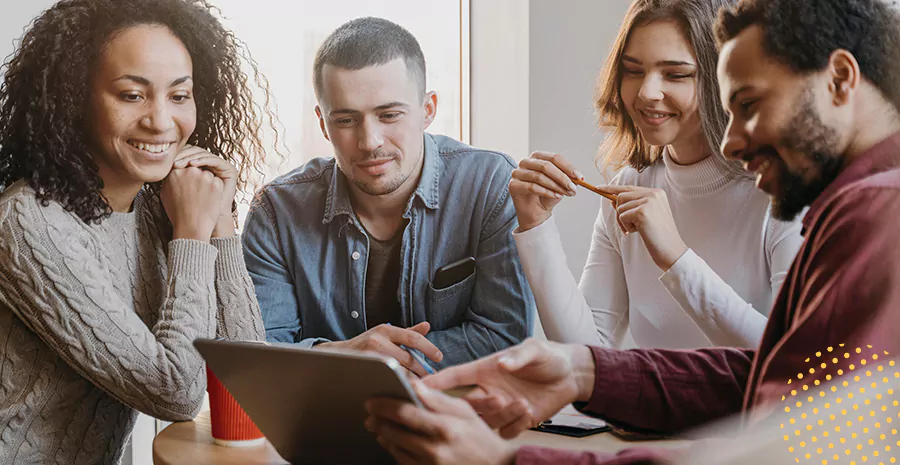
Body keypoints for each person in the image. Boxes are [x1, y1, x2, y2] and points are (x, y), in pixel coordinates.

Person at [364, 0, 900, 463]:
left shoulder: (873, 213)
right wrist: (584, 371)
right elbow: (781, 377)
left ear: (840, 80)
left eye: (750, 104)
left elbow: (803, 439)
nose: (734, 141)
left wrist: (510, 461)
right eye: (633, 69)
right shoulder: (847, 203)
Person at [0, 0, 275, 463]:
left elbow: (247, 375)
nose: (161, 121)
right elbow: (175, 393)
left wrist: (218, 220)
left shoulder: (157, 203)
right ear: (74, 98)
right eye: (132, 95)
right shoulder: (27, 222)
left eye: (179, 94)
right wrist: (190, 232)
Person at [241, 17, 535, 373]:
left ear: (428, 110)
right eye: (346, 120)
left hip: (459, 417)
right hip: (318, 422)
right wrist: (349, 354)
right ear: (322, 123)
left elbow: (505, 338)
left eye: (389, 115)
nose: (370, 142)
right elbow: (261, 352)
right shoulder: (276, 211)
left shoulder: (490, 184)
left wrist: (377, 360)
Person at [509, 0, 804, 349]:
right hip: (650, 405)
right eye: (633, 71)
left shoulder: (785, 194)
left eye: (676, 74)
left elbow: (791, 356)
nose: (647, 93)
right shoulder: (627, 189)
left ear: (724, 80)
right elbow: (586, 353)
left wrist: (676, 258)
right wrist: (536, 227)